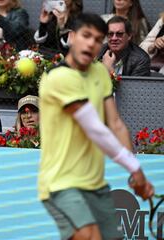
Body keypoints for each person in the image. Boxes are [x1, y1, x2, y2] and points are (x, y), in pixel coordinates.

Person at [39, 13, 153, 240]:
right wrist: (134, 168)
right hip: (61, 183)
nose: (92, 43)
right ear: (71, 37)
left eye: (97, 38)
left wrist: (134, 170)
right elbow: (95, 128)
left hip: (95, 183)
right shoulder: (59, 77)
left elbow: (116, 123)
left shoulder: (100, 72)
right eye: (86, 36)